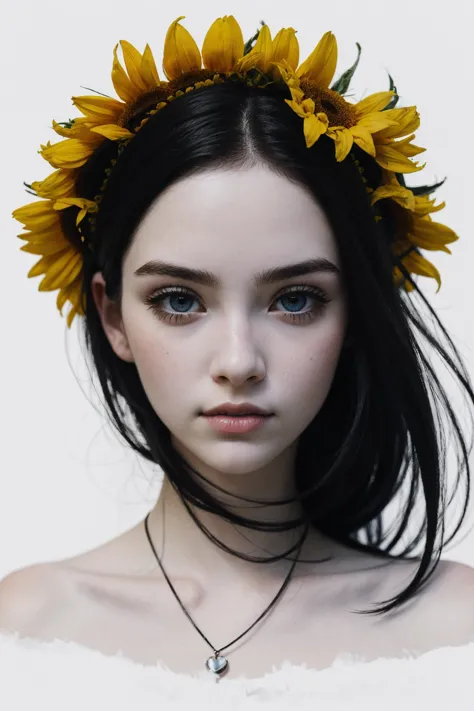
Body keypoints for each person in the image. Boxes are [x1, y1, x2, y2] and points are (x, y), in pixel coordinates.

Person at [2, 14, 474, 706]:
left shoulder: (456, 629)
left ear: (356, 313)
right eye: (179, 299)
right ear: (112, 315)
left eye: (295, 300)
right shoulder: (24, 629)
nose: (238, 360)